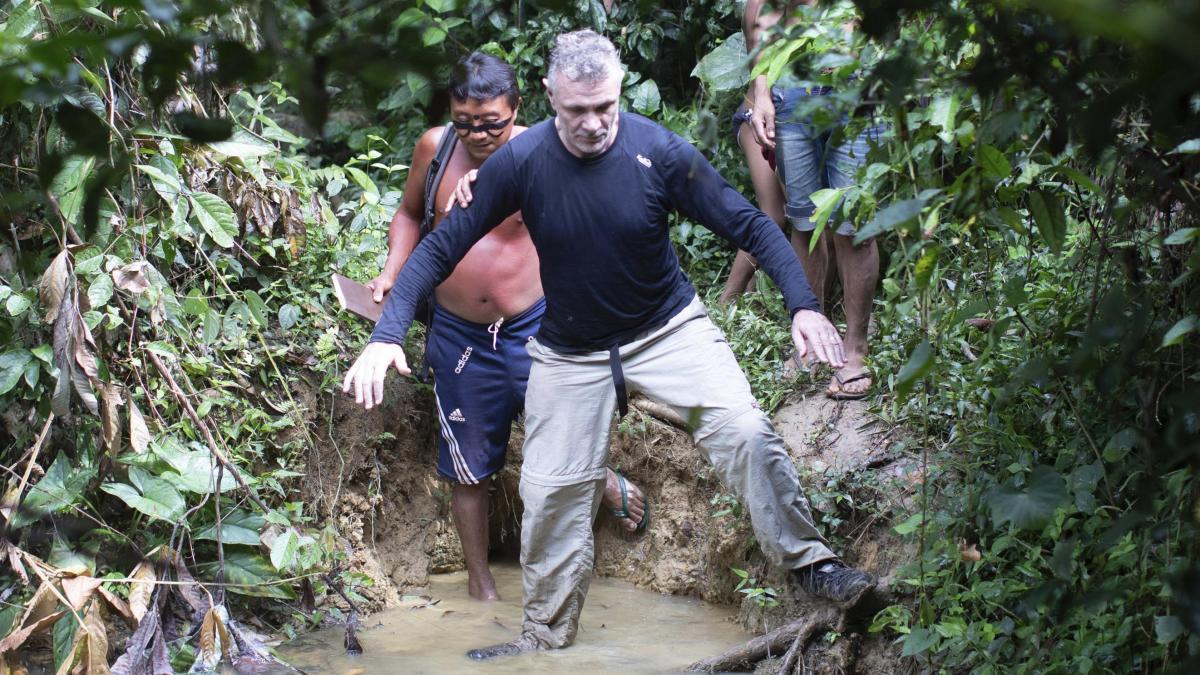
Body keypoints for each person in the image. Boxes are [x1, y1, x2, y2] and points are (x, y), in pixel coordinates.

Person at [343, 30, 873, 658]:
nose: (594, 124)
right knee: (549, 494)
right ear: (550, 96)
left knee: (745, 431)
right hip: (569, 353)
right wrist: (386, 335)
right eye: (577, 110)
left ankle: (813, 565)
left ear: (619, 92)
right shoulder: (521, 161)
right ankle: (543, 639)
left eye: (605, 107)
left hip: (668, 332)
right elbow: (438, 248)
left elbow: (750, 224)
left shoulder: (659, 150)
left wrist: (804, 305)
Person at [363, 52, 646, 602]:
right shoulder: (435, 148)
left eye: (491, 124)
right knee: (467, 466)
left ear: (517, 108)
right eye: (465, 123)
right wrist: (393, 270)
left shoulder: (544, 150)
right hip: (458, 332)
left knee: (562, 430)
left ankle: (603, 480)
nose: (478, 135)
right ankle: (481, 587)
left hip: (534, 323)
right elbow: (409, 214)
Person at [744, 0, 882, 399]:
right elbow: (765, 18)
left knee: (853, 225)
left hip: (857, 91)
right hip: (792, 89)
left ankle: (855, 349)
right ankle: (812, 338)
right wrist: (761, 93)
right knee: (804, 222)